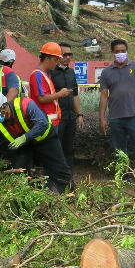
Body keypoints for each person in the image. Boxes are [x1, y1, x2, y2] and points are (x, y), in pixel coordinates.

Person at [0, 90, 70, 193]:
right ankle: (33, 196)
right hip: (23, 147)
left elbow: (42, 123)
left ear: (4, 106)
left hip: (45, 140)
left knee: (60, 171)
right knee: (21, 174)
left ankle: (67, 194)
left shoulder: (25, 104)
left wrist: (24, 137)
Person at [98, 38, 135, 185]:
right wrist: (102, 118)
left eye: (123, 51)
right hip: (115, 118)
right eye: (117, 52)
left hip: (134, 116)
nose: (120, 54)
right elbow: (103, 97)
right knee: (120, 151)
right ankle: (125, 179)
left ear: (127, 51)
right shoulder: (106, 73)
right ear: (112, 53)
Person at [49, 41, 83, 183]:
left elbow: (75, 95)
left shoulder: (71, 72)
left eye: (70, 54)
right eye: (64, 54)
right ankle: (56, 178)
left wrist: (80, 114)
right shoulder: (50, 73)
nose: (68, 57)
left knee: (69, 149)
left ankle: (69, 178)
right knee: (56, 149)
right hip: (57, 117)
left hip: (70, 117)